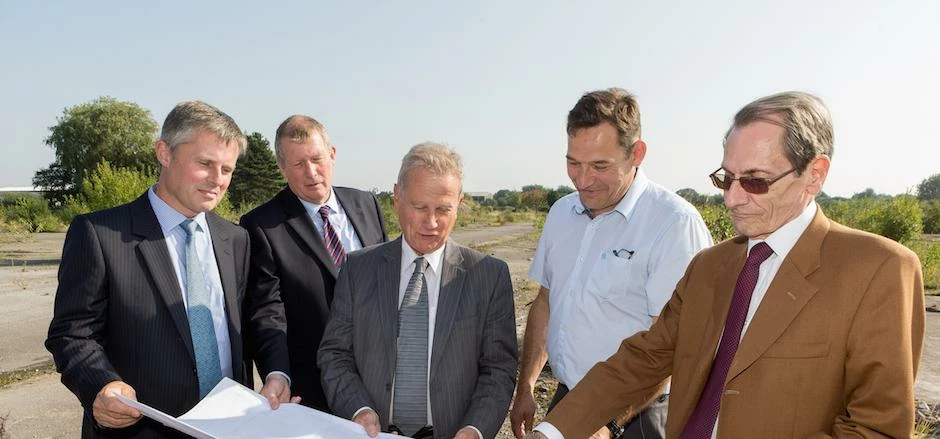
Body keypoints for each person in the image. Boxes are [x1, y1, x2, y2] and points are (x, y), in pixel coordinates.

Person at [527, 91, 926, 438]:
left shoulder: (878, 270)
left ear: (814, 174)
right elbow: (644, 359)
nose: (732, 200)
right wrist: (554, 431)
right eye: (726, 179)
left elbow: (875, 428)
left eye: (755, 181)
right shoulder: (709, 266)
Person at [46, 101, 296, 439]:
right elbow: (73, 333)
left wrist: (277, 373)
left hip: (232, 427)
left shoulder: (235, 239)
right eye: (205, 163)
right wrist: (102, 384)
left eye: (227, 169)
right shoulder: (100, 234)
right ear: (164, 153)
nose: (217, 180)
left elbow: (261, 316)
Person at [510, 88, 713, 439]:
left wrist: (610, 425)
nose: (583, 179)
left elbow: (676, 346)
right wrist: (526, 384)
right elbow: (546, 300)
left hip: (639, 415)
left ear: (636, 154)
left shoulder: (673, 225)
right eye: (574, 163)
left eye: (600, 166)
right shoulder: (561, 213)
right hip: (569, 398)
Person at [318, 142, 518, 439]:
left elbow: (498, 369)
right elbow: (335, 354)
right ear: (397, 197)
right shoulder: (358, 269)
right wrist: (357, 408)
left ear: (459, 203)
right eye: (420, 207)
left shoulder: (488, 276)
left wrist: (475, 430)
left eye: (443, 209)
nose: (431, 222)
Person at [239, 115, 387, 410]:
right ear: (282, 168)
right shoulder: (261, 225)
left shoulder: (366, 204)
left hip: (381, 378)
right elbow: (268, 310)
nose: (311, 172)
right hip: (315, 388)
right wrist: (277, 373)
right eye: (297, 164)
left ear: (332, 155)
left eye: (317, 159)